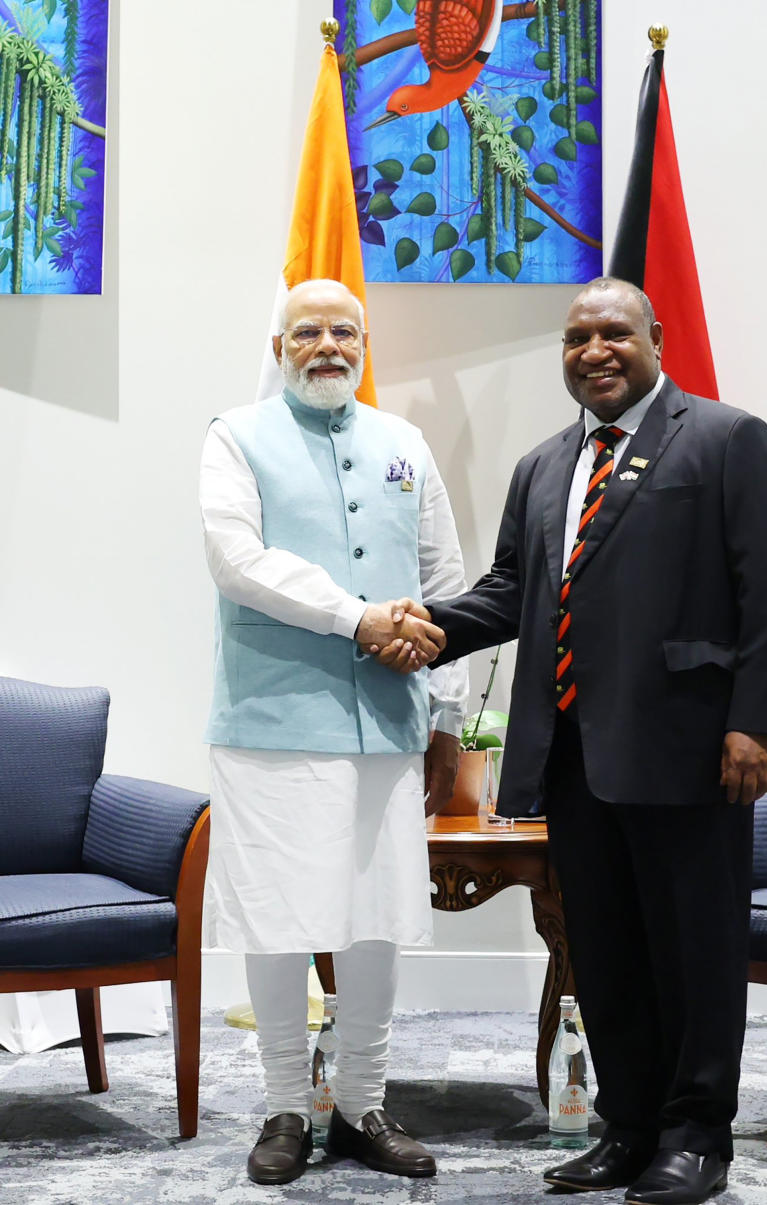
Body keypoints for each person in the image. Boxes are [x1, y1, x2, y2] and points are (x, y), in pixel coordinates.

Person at [372, 277, 767, 1205]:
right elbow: (509, 592)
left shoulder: (727, 440)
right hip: (571, 757)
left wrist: (756, 722)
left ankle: (697, 1135)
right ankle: (630, 1126)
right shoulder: (543, 466)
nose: (594, 351)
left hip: (691, 750)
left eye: (614, 333)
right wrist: (426, 625)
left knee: (694, 949)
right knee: (602, 954)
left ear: (656, 338)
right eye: (576, 338)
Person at [199, 278, 468, 1186]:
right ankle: (284, 1105)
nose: (327, 345)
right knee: (277, 916)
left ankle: (361, 1104)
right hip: (274, 721)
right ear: (279, 347)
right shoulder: (236, 435)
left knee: (376, 919)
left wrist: (448, 706)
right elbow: (238, 562)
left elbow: (446, 576)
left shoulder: (405, 444)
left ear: (365, 343)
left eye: (343, 330)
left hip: (389, 723)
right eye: (306, 331)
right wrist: (358, 618)